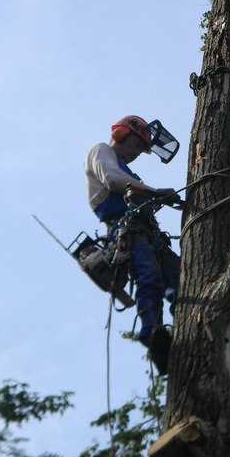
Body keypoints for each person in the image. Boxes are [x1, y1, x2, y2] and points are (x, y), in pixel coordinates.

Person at [84, 115, 181, 375]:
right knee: (149, 278)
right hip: (127, 231)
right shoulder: (101, 152)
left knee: (181, 278)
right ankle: (152, 333)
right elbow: (113, 180)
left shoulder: (131, 173)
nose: (138, 153)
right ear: (121, 135)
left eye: (142, 149)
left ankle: (183, 331)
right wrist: (154, 191)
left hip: (150, 234)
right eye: (137, 145)